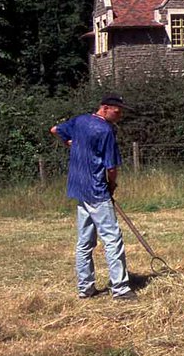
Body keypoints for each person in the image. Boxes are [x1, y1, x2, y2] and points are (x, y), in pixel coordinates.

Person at [51, 94, 137, 301]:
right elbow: (111, 167)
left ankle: (85, 288)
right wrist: (112, 185)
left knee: (84, 241)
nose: (120, 114)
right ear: (105, 108)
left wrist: (70, 142)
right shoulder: (105, 130)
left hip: (79, 188)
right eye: (117, 110)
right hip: (97, 191)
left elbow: (55, 130)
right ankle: (121, 288)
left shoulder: (80, 121)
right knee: (112, 239)